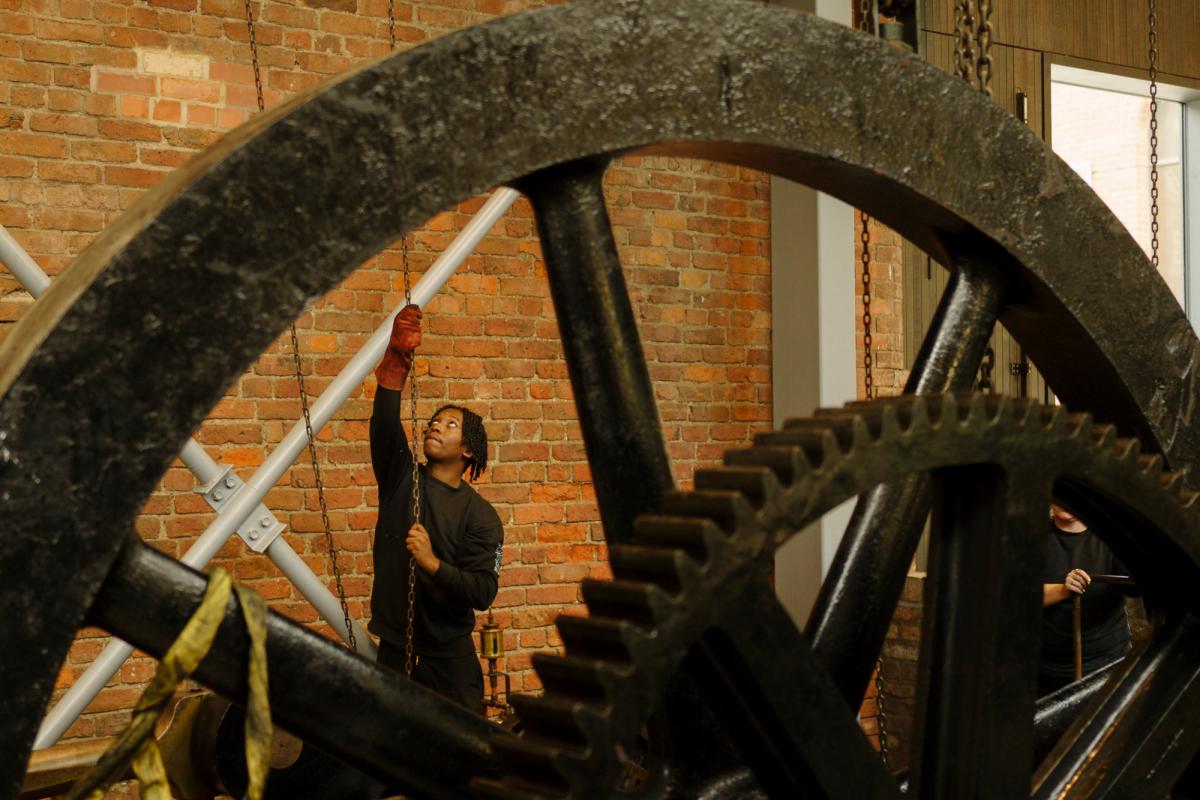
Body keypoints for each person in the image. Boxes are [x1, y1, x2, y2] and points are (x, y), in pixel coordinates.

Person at [368, 304, 504, 713]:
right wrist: (395, 365)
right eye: (433, 421)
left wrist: (431, 563)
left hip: (449, 663)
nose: (433, 426)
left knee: (459, 766)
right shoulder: (400, 478)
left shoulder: (481, 516)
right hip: (394, 654)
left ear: (468, 449)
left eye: (449, 425)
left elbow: (483, 592)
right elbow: (385, 424)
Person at [1039, 502, 1136, 696]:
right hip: (1045, 669)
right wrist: (1064, 590)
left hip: (1105, 666)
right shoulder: (1034, 538)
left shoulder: (1111, 538)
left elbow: (1137, 588)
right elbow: (1015, 597)